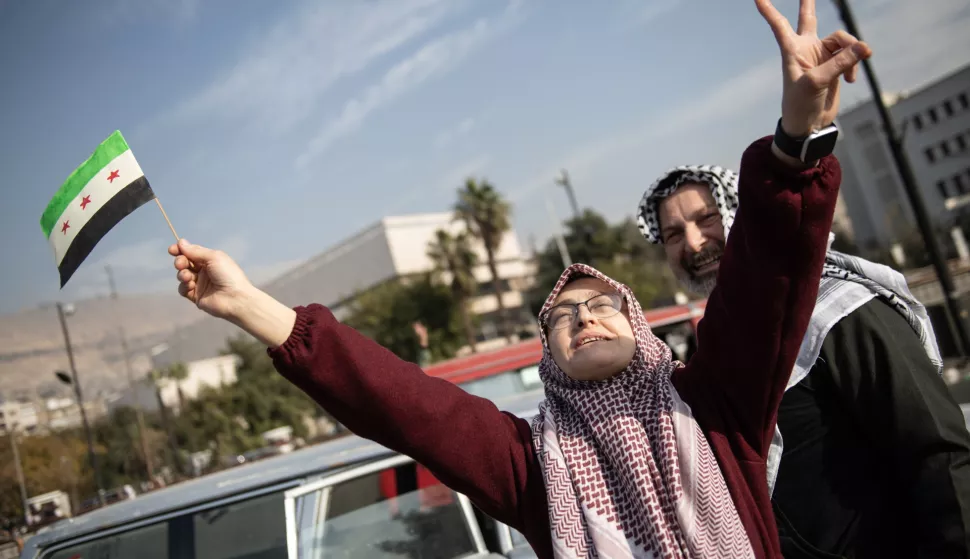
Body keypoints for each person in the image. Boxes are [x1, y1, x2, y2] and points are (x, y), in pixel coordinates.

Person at [169, 1, 864, 556]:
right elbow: (402, 404)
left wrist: (798, 140)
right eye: (563, 317)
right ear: (549, 357)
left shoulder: (716, 404)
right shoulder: (529, 462)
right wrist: (248, 305)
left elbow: (767, 277)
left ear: (639, 323)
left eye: (600, 305)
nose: (584, 317)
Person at [636, 98, 970, 559]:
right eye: (673, 235)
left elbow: (937, 451)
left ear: (738, 213)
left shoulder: (837, 307)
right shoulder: (716, 351)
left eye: (706, 219)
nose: (694, 243)